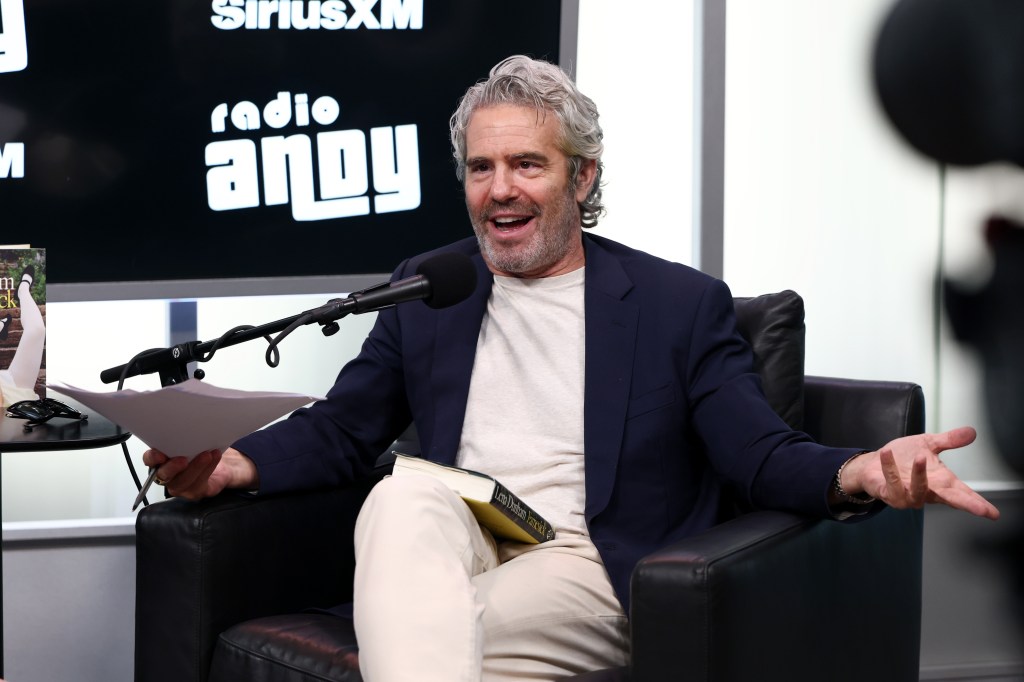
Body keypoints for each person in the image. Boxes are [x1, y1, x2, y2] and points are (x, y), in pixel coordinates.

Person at [145, 55, 1001, 681]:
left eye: (528, 164)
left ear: (582, 177)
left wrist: (859, 471)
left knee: (413, 642)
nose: (500, 190)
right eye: (481, 168)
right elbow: (345, 426)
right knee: (400, 495)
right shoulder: (431, 287)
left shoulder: (677, 304)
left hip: (587, 557)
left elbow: (759, 452)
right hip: (459, 533)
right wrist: (233, 464)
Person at [1, 265, 44, 409]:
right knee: (36, 331)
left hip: (7, 391)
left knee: (36, 330)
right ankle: (23, 288)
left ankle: (23, 289)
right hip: (14, 400)